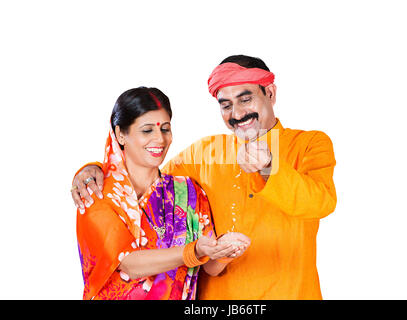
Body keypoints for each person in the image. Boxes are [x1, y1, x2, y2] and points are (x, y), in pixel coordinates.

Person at [72, 55, 337, 299]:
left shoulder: (309, 144)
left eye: (245, 99)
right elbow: (149, 174)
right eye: (226, 105)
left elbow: (321, 202)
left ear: (270, 93)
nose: (237, 114)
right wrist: (95, 168)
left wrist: (269, 166)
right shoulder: (208, 152)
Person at [75, 86, 250, 300]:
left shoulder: (187, 190)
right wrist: (193, 251)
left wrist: (224, 251)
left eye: (165, 129)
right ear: (120, 134)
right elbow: (129, 264)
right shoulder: (95, 191)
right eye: (147, 130)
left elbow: (209, 268)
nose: (160, 139)